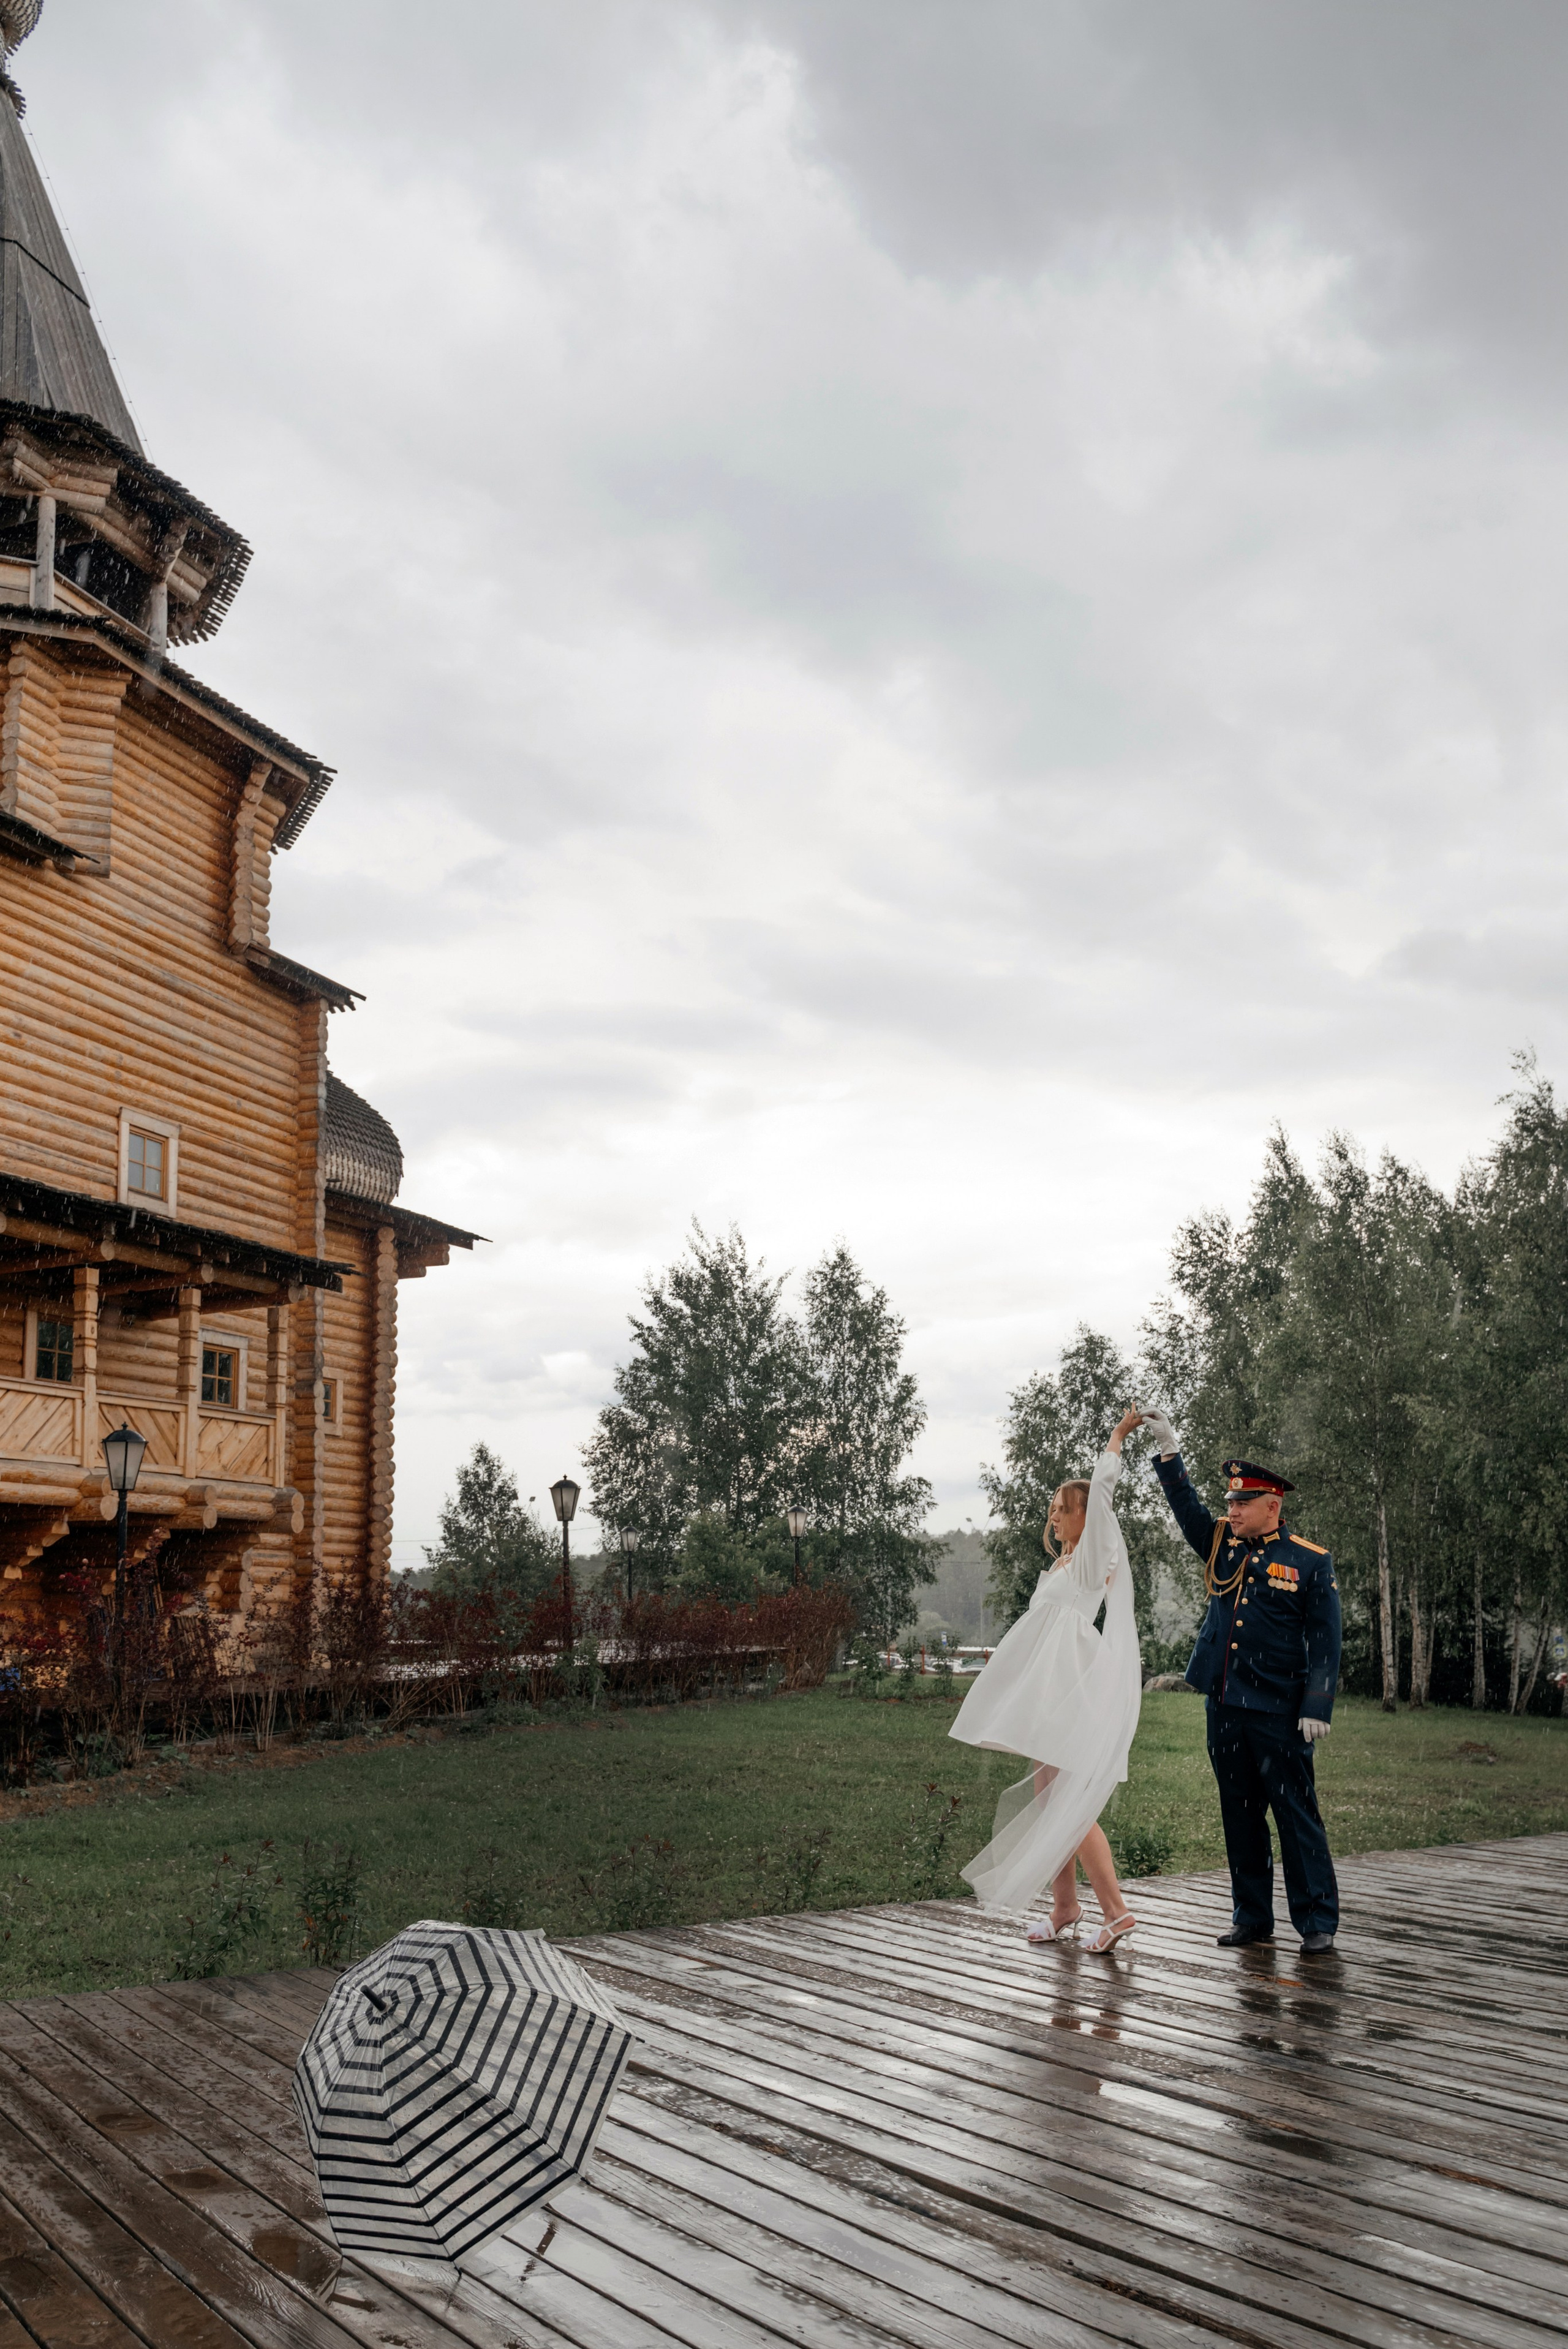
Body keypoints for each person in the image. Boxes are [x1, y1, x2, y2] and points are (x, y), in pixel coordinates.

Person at [1140, 1413, 1341, 1956]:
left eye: (1241, 1503)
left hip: (1280, 1710)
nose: (1231, 1511)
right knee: (1240, 1813)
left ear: (1272, 1505)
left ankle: (1317, 1918)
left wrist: (1317, 1702)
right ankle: (1252, 1915)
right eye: (1229, 1503)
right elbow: (1186, 1509)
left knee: (1297, 1817)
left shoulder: (1308, 1561)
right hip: (1226, 1704)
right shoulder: (1222, 1546)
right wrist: (1168, 1453)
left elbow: (1326, 1639)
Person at [949, 1408, 1144, 1952]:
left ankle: (1117, 1911)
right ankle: (1064, 1906)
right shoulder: (1063, 1564)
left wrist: (1116, 1439)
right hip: (1047, 1693)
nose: (1055, 1517)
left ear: (1089, 1517)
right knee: (1046, 1798)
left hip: (1069, 1692)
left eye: (1065, 1510)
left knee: (1068, 1805)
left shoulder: (1091, 1563)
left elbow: (1102, 1491)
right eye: (1053, 1510)